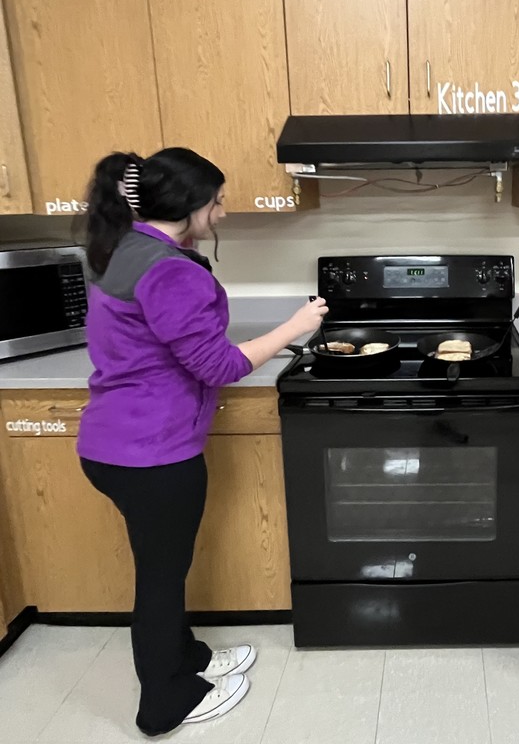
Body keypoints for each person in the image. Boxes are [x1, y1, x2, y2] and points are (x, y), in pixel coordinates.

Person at [76, 148, 327, 737]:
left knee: (166, 567)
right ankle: (165, 703)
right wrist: (295, 326)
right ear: (188, 207)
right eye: (216, 202)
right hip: (151, 452)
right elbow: (218, 365)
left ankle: (188, 661)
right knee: (160, 580)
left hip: (118, 440)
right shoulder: (169, 269)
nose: (222, 211)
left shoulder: (124, 246)